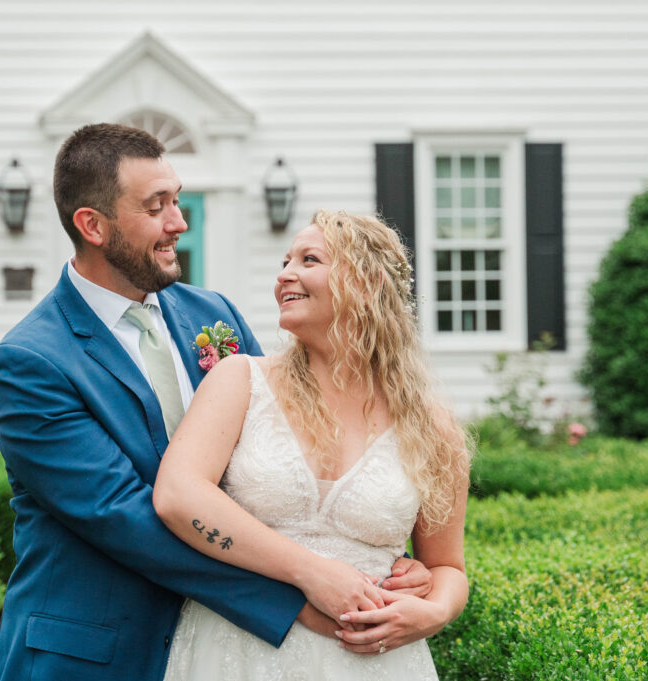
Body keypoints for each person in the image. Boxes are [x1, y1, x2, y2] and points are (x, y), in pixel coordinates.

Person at [0, 124, 430, 681]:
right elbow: (123, 515)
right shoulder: (30, 361)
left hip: (225, 645)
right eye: (157, 206)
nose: (179, 222)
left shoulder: (211, 316)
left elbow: (283, 450)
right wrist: (297, 591)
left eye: (176, 200)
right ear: (92, 225)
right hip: (92, 651)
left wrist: (383, 564)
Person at [153, 210, 472, 680]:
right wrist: (312, 572)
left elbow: (446, 566)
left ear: (366, 284)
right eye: (285, 261)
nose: (286, 274)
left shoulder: (431, 426)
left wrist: (433, 613)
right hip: (236, 650)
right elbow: (178, 495)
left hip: (373, 662)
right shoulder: (239, 380)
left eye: (309, 259)